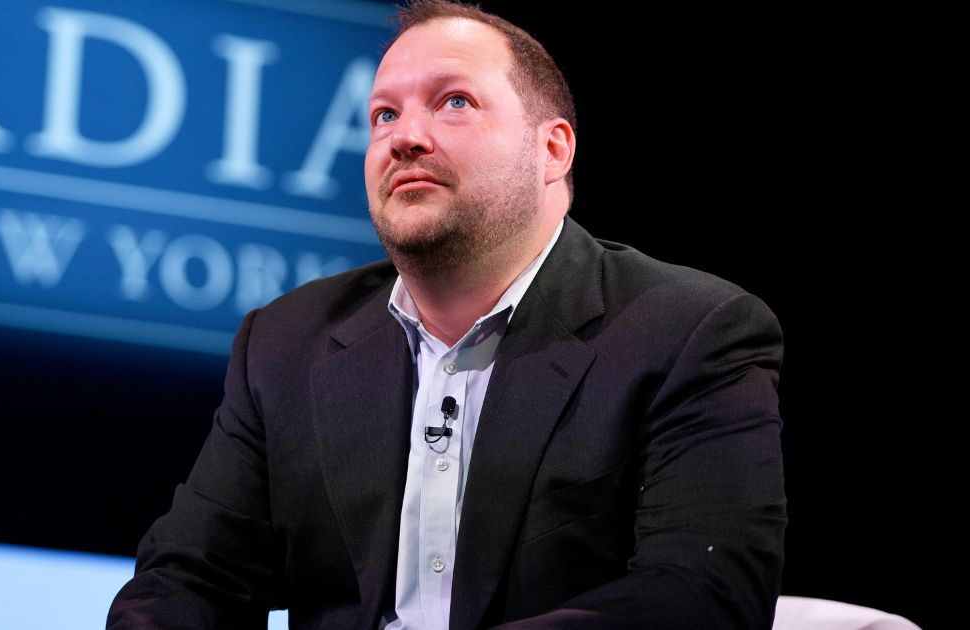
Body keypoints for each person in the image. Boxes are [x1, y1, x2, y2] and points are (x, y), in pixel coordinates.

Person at [107, 1, 786, 628]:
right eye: (383, 115)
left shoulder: (687, 331)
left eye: (453, 102)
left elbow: (702, 594)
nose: (405, 138)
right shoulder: (288, 342)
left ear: (553, 149)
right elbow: (190, 580)